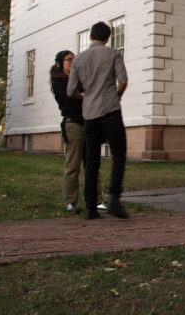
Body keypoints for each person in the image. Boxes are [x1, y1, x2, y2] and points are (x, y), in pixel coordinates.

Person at [68, 21, 130, 220]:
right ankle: (113, 198)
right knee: (118, 154)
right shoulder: (113, 53)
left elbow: (71, 90)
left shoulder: (79, 59)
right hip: (110, 110)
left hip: (90, 114)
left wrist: (85, 97)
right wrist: (117, 95)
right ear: (107, 38)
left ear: (90, 37)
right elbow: (123, 80)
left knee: (92, 159)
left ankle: (90, 207)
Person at [50, 51, 106, 215]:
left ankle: (96, 200)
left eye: (74, 60)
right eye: (69, 60)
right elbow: (69, 98)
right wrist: (83, 97)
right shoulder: (58, 82)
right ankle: (70, 202)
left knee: (92, 164)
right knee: (73, 165)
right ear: (61, 63)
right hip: (72, 124)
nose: (72, 63)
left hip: (88, 122)